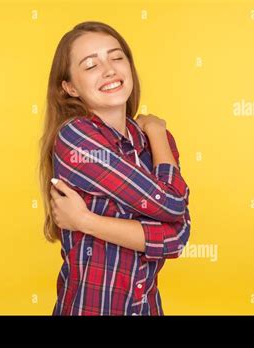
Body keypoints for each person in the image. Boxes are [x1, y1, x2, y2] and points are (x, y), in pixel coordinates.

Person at [39, 21, 191, 315]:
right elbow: (171, 203)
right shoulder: (76, 138)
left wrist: (86, 221)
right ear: (69, 86)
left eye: (117, 57)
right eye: (91, 65)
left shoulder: (153, 141)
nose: (109, 69)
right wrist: (159, 132)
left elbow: (177, 237)